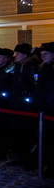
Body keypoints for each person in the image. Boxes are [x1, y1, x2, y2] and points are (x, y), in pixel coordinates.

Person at [37, 42, 54, 178]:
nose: (43, 57)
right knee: (46, 140)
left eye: (45, 54)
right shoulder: (44, 68)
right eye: (41, 54)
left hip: (51, 109)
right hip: (45, 109)